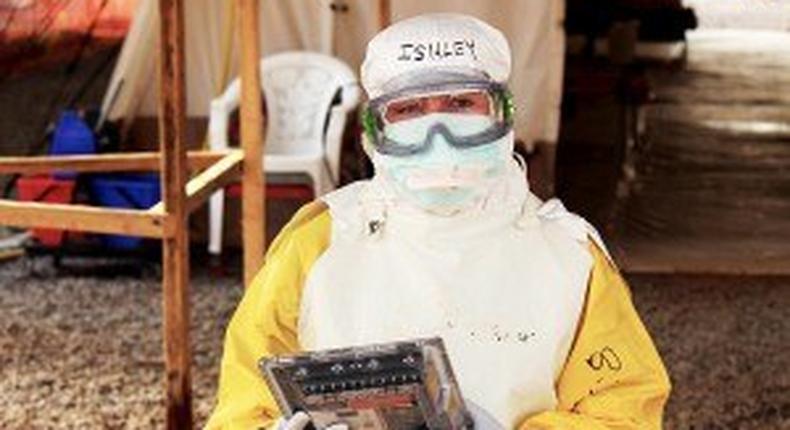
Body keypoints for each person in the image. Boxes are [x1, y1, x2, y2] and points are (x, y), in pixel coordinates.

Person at [206, 13, 670, 430]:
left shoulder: (570, 257)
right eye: (408, 111)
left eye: (460, 104)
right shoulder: (321, 243)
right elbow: (243, 406)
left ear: (504, 115)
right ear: (373, 133)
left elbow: (622, 411)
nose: (437, 135)